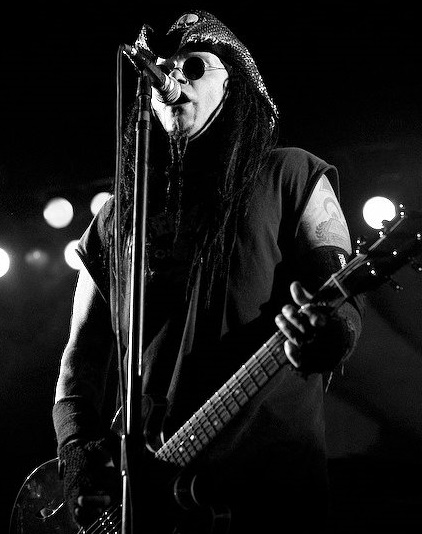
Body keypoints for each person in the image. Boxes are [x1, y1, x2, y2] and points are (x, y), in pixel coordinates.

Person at [52, 10, 364, 534]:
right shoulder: (117, 218)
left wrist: (332, 331)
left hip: (269, 493)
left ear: (232, 86)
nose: (172, 78)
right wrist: (77, 451)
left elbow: (343, 294)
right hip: (149, 495)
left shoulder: (290, 174)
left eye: (194, 66)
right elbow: (80, 358)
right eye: (162, 68)